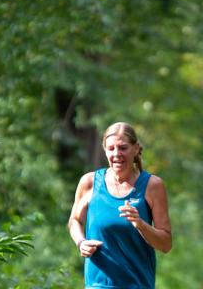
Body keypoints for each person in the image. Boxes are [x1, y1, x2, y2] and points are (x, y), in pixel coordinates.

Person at [68, 122, 172, 289]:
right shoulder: (89, 182)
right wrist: (81, 242)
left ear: (136, 149)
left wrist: (140, 224)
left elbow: (166, 244)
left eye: (123, 148)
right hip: (97, 285)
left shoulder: (152, 186)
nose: (117, 154)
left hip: (137, 285)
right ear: (105, 150)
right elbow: (75, 221)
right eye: (111, 148)